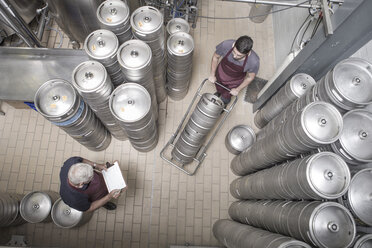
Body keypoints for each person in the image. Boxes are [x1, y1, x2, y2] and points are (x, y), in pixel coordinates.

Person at [208, 35, 260, 105]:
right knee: (219, 87)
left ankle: (223, 103)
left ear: (247, 53)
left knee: (226, 97)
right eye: (234, 52)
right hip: (220, 74)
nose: (234, 56)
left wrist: (238, 89)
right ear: (234, 44)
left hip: (234, 83)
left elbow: (250, 77)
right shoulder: (226, 45)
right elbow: (215, 57)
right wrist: (212, 74)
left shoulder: (254, 61)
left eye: (239, 55)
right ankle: (219, 93)